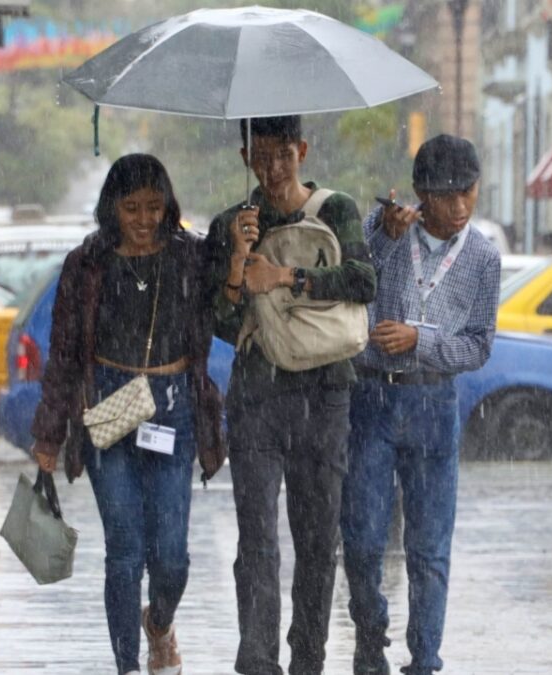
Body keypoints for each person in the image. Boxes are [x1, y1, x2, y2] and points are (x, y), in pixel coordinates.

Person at [30, 153, 226, 675]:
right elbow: (65, 353)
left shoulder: (192, 257)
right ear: (111, 207)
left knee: (172, 557)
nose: (143, 220)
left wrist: (241, 247)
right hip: (108, 409)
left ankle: (158, 624)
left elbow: (232, 303)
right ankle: (127, 666)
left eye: (154, 207)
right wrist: (49, 435)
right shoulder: (87, 263)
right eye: (132, 208)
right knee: (124, 551)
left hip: (173, 406)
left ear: (169, 207)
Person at [203, 115, 377, 675]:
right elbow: (222, 322)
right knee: (256, 539)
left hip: (327, 395)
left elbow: (363, 283)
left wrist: (287, 279)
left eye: (285, 155)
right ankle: (257, 661)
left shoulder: (337, 210)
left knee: (317, 540)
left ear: (302, 150)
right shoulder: (231, 222)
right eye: (262, 156)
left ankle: (308, 660)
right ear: (245, 157)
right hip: (257, 396)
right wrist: (236, 266)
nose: (274, 168)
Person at [340, 134, 501, 675]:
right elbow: (354, 288)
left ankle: (425, 660)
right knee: (361, 537)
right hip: (372, 397)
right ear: (420, 194)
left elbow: (478, 345)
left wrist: (421, 340)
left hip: (435, 402)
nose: (459, 206)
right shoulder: (381, 230)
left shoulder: (482, 257)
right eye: (446, 195)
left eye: (468, 192)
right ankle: (370, 631)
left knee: (429, 547)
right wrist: (384, 240)